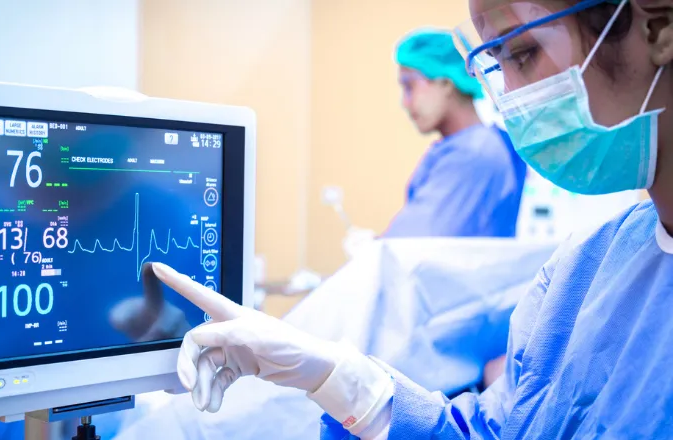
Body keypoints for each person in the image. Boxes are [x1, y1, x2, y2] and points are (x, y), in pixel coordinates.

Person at [150, 0, 673, 438]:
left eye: (523, 52)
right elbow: (495, 429)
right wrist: (342, 379)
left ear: (658, 28)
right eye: (495, 63)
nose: (511, 98)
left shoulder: (477, 160)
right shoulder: (589, 267)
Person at [380, 29, 527, 239]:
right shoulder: (463, 146)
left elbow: (411, 245)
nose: (405, 102)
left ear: (446, 84)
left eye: (409, 86)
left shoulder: (474, 154)